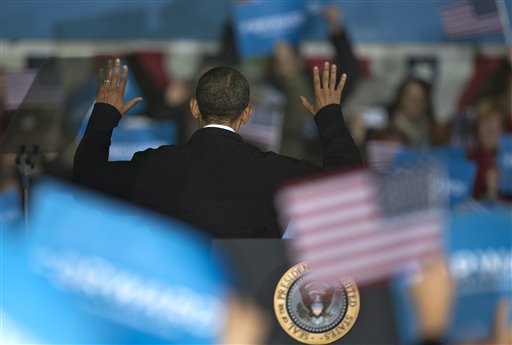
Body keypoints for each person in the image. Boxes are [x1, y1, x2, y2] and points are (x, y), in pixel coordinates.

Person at [73, 59, 362, 238]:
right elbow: (347, 185)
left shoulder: (156, 165)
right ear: (246, 114)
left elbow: (87, 178)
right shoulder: (275, 172)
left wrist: (105, 114)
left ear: (194, 108)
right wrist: (329, 116)